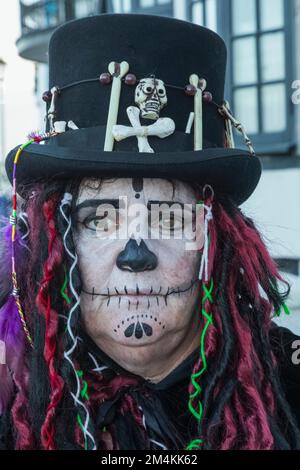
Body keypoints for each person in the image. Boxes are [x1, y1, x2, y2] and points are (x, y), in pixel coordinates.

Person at [0, 13, 299, 451]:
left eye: (170, 219)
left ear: (217, 243)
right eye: (98, 220)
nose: (135, 255)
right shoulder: (14, 392)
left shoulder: (288, 378)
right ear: (54, 244)